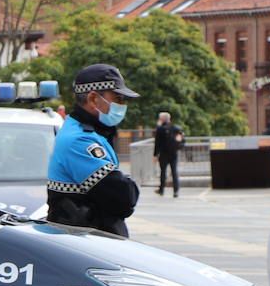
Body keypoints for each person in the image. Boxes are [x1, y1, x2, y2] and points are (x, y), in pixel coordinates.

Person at [47, 63, 141, 237]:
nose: (122, 105)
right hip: (86, 243)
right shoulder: (79, 140)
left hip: (90, 240)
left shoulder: (89, 132)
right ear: (93, 99)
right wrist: (127, 183)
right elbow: (123, 198)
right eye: (117, 99)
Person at [153, 111, 185, 197]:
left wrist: (155, 155)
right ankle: (176, 191)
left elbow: (157, 143)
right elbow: (181, 139)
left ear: (162, 119)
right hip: (174, 153)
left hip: (163, 154)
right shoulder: (176, 128)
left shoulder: (160, 129)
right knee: (174, 171)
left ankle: (161, 190)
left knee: (163, 172)